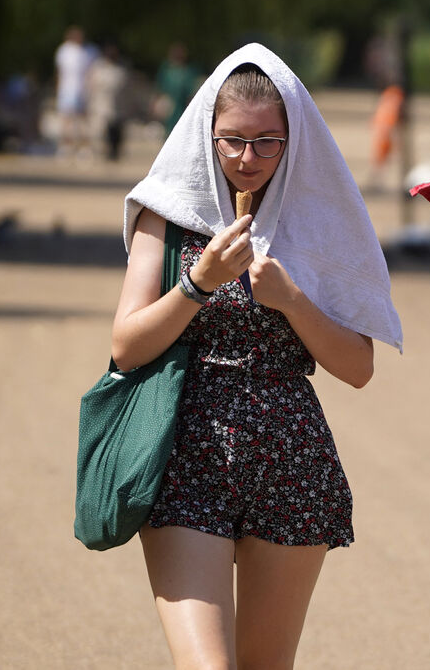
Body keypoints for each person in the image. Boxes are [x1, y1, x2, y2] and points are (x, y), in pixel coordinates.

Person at [113, 44, 402, 668]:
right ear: (205, 137)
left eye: (267, 141)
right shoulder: (167, 217)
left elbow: (358, 368)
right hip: (186, 452)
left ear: (293, 139)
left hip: (292, 457)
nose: (248, 159)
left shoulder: (316, 225)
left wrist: (293, 301)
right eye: (232, 141)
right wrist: (199, 283)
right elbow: (125, 344)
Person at [54, 25, 94, 157]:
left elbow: (89, 73)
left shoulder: (86, 51)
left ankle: (84, 147)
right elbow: (60, 72)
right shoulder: (64, 51)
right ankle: (66, 146)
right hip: (67, 89)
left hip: (82, 90)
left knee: (82, 121)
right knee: (66, 120)